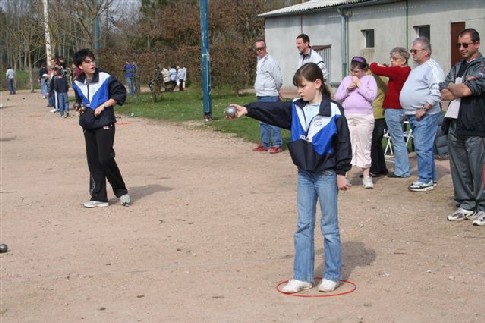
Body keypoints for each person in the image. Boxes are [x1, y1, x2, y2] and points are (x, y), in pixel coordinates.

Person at [230, 63, 352, 294]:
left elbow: (343, 143)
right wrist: (248, 110)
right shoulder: (296, 108)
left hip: (326, 174)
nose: (299, 91)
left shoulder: (334, 110)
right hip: (305, 175)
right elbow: (273, 110)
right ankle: (302, 276)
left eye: (302, 86)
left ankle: (332, 275)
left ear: (317, 84)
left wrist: (341, 173)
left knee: (329, 226)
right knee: (303, 225)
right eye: (297, 87)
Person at [72, 48, 130, 208]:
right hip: (88, 124)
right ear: (80, 66)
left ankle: (121, 191)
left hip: (105, 122)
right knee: (93, 161)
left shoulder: (105, 78)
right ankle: (99, 196)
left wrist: (103, 106)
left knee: (105, 158)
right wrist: (79, 107)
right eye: (87, 62)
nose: (92, 64)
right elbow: (79, 100)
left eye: (93, 61)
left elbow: (120, 94)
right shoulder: (77, 82)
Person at [440, 28, 485, 224]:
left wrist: (456, 87)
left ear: (476, 44)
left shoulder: (483, 66)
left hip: (476, 125)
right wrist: (456, 88)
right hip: (455, 125)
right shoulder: (457, 67)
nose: (461, 48)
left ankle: (482, 207)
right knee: (459, 168)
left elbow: (469, 90)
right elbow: (443, 93)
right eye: (459, 45)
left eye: (465, 44)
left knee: (479, 169)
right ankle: (466, 204)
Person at [400, 37, 445, 192]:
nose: (412, 53)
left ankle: (425, 179)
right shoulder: (417, 67)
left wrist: (424, 108)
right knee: (425, 147)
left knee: (422, 147)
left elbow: (437, 90)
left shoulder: (432, 67)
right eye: (411, 50)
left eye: (415, 51)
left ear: (426, 52)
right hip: (415, 114)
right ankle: (429, 177)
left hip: (425, 114)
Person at [335, 57, 377, 188]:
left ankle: (366, 176)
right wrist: (348, 89)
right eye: (352, 71)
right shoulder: (346, 80)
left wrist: (359, 85)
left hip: (364, 116)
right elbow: (337, 97)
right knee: (348, 146)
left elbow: (371, 96)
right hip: (348, 116)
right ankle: (345, 176)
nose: (354, 74)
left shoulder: (370, 79)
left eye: (357, 71)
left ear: (364, 70)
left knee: (364, 145)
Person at [370, 47, 412, 178]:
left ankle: (402, 170)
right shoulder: (407, 70)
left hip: (393, 109)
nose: (392, 61)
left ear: (403, 60)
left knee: (398, 141)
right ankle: (402, 168)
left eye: (395, 59)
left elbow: (375, 68)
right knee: (399, 140)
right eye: (391, 58)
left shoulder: (397, 70)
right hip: (401, 108)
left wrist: (377, 64)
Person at [252, 38, 284, 154]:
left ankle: (277, 144)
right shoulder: (259, 61)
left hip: (270, 94)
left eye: (261, 48)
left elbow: (278, 78)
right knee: (262, 120)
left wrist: (277, 90)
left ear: (265, 48)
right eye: (257, 49)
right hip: (261, 95)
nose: (259, 51)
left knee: (273, 119)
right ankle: (265, 144)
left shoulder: (271, 62)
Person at [369, 72, 389, 177]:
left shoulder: (369, 79)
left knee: (373, 143)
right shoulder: (384, 79)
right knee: (377, 143)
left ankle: (374, 168)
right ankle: (381, 167)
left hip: (374, 113)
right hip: (381, 113)